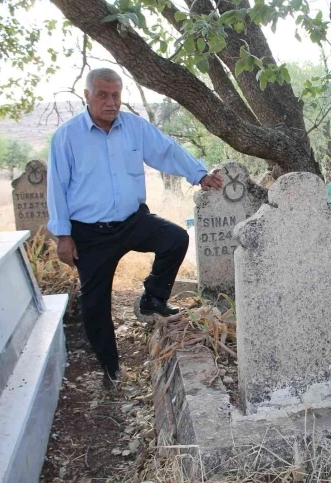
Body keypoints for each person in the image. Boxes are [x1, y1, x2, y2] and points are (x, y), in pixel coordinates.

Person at [47, 68, 223, 387]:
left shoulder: (134, 128)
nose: (111, 102)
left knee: (175, 238)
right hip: (90, 233)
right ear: (87, 96)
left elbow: (166, 151)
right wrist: (63, 235)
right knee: (94, 303)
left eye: (116, 95)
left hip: (132, 222)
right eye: (102, 94)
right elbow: (56, 187)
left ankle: (151, 299)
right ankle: (111, 368)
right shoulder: (67, 137)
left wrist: (199, 174)